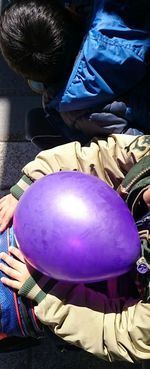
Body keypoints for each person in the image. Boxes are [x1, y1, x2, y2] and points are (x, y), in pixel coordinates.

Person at [0, 133, 150, 362]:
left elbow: (124, 334)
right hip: (88, 228)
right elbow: (104, 157)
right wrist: (30, 184)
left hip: (110, 296)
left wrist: (49, 298)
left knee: (9, 303)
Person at [0, 0, 150, 150]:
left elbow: (135, 145)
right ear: (70, 14)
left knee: (37, 124)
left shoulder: (76, 111)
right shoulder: (114, 9)